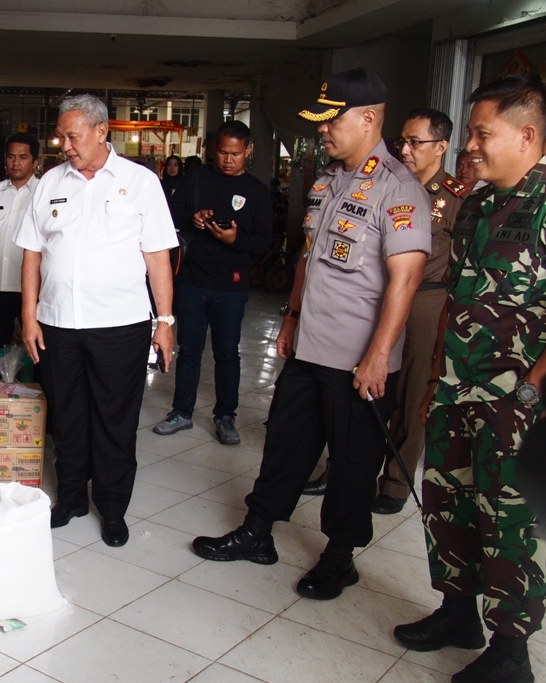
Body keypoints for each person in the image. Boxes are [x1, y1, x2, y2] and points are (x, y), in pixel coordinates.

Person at [191, 68, 431, 601]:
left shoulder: (399, 189)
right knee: (285, 444)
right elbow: (308, 256)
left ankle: (340, 556)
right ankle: (258, 532)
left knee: (351, 462)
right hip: (309, 346)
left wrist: (377, 356)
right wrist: (293, 316)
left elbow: (406, 280)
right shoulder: (328, 179)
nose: (322, 131)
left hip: (358, 360)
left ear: (369, 118)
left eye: (332, 121)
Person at [394, 74, 546, 683]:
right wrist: (436, 377)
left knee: (509, 519)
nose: (472, 145)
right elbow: (460, 300)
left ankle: (512, 653)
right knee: (447, 501)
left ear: (528, 134)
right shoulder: (480, 201)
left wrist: (533, 390)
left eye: (484, 133)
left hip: (520, 401)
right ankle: (457, 611)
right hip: (458, 389)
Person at [14, 94, 178, 548]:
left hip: (120, 325)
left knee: (115, 419)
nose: (65, 144)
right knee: (66, 417)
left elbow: (157, 254)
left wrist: (165, 320)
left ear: (101, 132)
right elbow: (31, 252)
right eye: (61, 136)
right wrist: (29, 316)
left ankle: (112, 507)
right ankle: (70, 499)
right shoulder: (49, 182)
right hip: (58, 323)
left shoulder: (140, 182)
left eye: (73, 135)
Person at [369, 108, 470, 514]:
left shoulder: (457, 199)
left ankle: (395, 481)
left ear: (441, 147)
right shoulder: (388, 187)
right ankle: (346, 467)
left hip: (428, 300)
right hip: (384, 292)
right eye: (402, 142)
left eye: (415, 142)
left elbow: (463, 267)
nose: (405, 150)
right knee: (369, 383)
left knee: (413, 392)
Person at [153, 121, 273, 445]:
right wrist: (191, 218)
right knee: (189, 350)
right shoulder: (196, 178)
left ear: (247, 151)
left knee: (227, 354)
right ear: (212, 150)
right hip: (192, 280)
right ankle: (182, 412)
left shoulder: (258, 191)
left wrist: (236, 239)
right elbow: (170, 214)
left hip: (232, 287)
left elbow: (265, 241)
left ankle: (225, 416)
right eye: (222, 152)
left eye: (235, 153)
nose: (228, 159)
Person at [0, 134, 40, 355]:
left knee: (36, 349)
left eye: (23, 157)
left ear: (35, 162)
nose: (16, 162)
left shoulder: (44, 192)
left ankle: (36, 389)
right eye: (11, 156)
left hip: (33, 288)